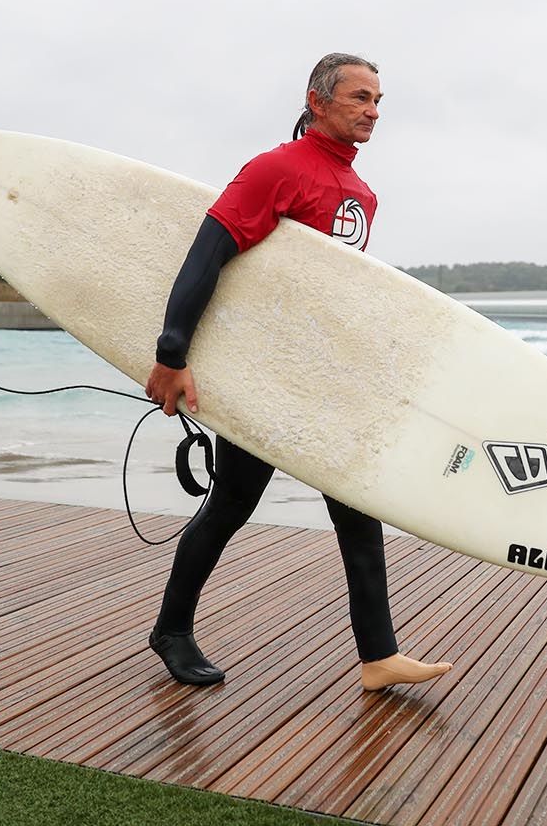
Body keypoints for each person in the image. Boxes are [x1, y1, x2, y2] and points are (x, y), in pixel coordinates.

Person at [144, 53, 452, 691]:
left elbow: (327, 298)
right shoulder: (275, 171)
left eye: (378, 100)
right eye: (360, 98)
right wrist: (172, 354)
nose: (372, 111)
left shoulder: (362, 193)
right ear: (317, 100)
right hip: (266, 379)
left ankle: (377, 657)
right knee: (231, 503)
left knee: (356, 510)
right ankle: (171, 630)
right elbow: (205, 258)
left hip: (322, 381)